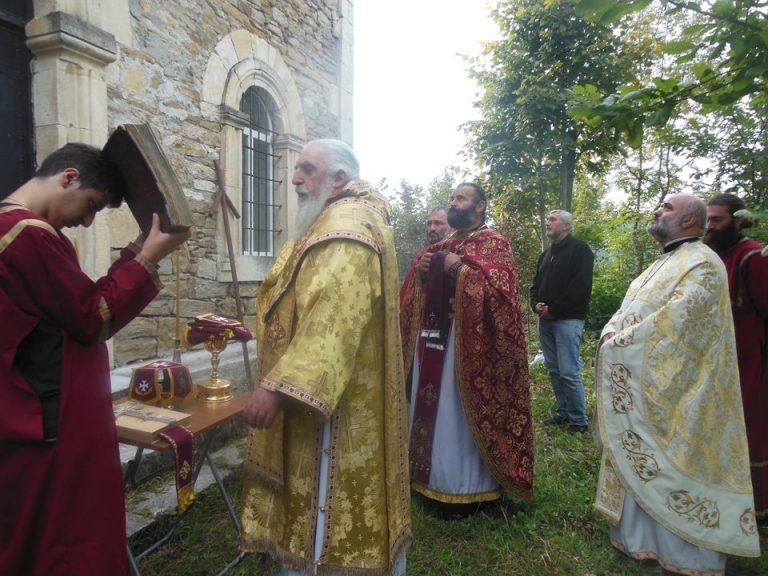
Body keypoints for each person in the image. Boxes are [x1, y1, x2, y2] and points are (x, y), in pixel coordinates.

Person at [0, 143, 190, 575]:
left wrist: (134, 255)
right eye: (91, 205)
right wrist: (146, 258)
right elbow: (90, 318)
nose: (87, 221)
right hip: (49, 422)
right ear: (68, 177)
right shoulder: (25, 234)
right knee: (64, 541)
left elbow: (71, 305)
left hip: (25, 414)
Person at [239, 139, 411, 575]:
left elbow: (334, 320)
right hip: (337, 385)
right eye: (297, 168)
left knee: (324, 499)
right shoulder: (336, 217)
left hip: (337, 401)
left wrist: (277, 389)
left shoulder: (346, 226)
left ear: (338, 180)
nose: (296, 178)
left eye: (307, 169)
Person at [595, 193, 760, 575]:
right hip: (646, 385)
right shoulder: (662, 263)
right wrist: (611, 333)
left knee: (678, 458)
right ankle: (637, 539)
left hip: (685, 393)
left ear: (690, 220)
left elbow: (680, 324)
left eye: (667, 207)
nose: (656, 210)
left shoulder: (702, 262)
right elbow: (626, 310)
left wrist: (620, 343)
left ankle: (684, 555)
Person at [400, 182, 533, 514]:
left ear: (480, 206)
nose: (454, 203)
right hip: (432, 342)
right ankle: (426, 478)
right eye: (452, 198)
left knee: (457, 414)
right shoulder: (442, 244)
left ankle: (467, 490)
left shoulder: (495, 245)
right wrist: (423, 271)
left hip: (469, 350)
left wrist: (458, 270)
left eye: (461, 198)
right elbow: (413, 292)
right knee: (432, 410)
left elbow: (502, 303)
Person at [704, 193, 768, 522]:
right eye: (707, 220)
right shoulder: (709, 256)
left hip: (747, 359)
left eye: (717, 219)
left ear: (739, 220)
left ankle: (757, 511)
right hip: (715, 361)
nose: (710, 226)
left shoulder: (752, 255)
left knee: (750, 431)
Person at [530, 210, 594, 433]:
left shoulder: (580, 250)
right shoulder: (546, 254)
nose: (547, 222)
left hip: (568, 320)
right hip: (545, 321)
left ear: (566, 226)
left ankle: (579, 420)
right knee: (554, 369)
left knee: (568, 371)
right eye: (547, 219)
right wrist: (535, 304)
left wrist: (554, 310)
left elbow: (580, 287)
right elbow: (535, 286)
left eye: (552, 219)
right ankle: (564, 411)